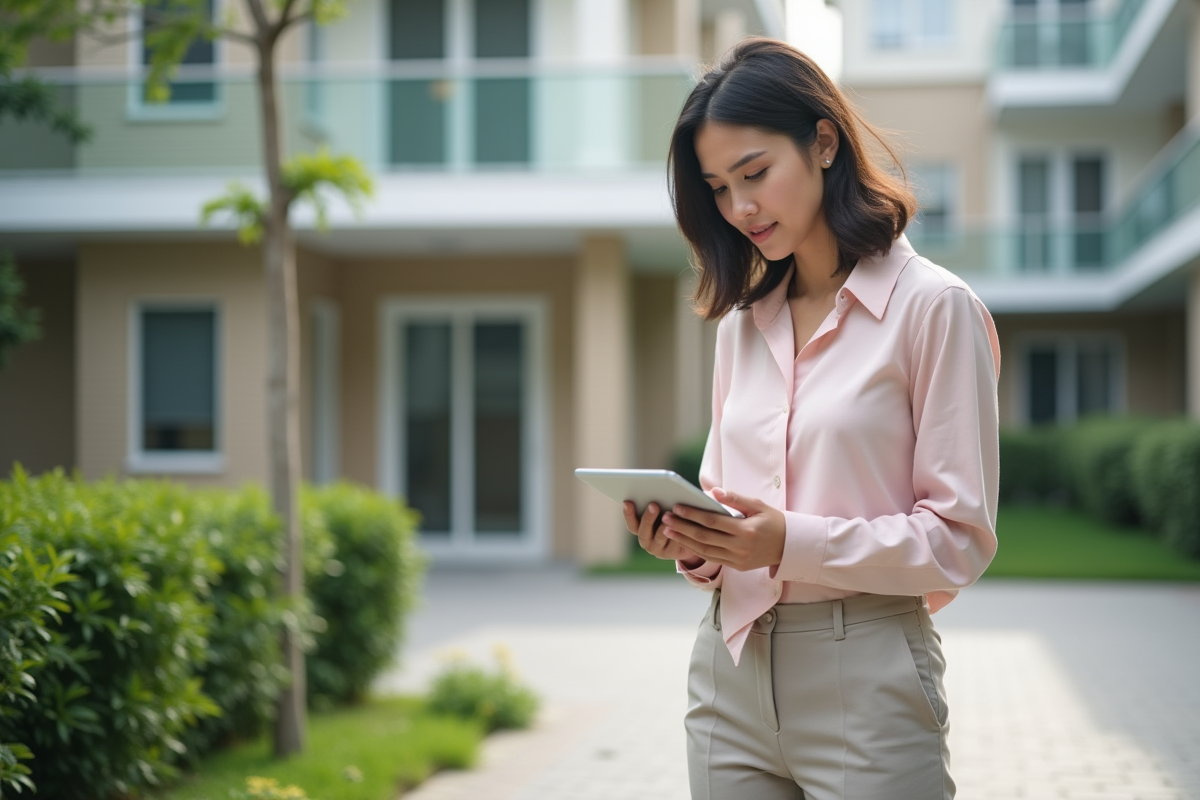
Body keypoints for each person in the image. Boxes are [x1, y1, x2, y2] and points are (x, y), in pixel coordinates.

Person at [622, 38, 1000, 800]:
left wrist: (786, 542)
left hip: (868, 677)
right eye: (718, 188)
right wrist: (696, 544)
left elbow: (958, 541)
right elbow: (734, 509)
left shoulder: (934, 308)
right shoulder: (742, 327)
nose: (740, 208)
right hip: (729, 673)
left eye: (755, 173)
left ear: (824, 143)